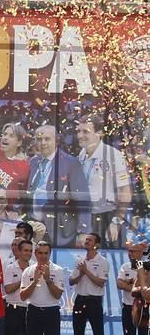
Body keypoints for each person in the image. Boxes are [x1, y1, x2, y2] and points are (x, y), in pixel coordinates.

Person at [27, 124, 90, 247]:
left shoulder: (71, 163)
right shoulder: (34, 162)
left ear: (56, 140)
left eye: (47, 139)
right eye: (39, 139)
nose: (43, 143)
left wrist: (83, 230)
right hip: (35, 228)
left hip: (60, 231)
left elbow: (82, 198)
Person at [76, 114, 132, 245]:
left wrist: (116, 222)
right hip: (88, 216)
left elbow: (125, 192)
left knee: (111, 260)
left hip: (108, 217)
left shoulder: (113, 156)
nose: (80, 135)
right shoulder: (82, 154)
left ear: (99, 133)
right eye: (78, 131)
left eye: (85, 131)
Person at [20, 241, 65, 335]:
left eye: (46, 253)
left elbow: (57, 295)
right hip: (33, 311)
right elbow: (23, 296)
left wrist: (48, 279)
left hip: (52, 311)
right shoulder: (28, 271)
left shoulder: (58, 270)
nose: (43, 256)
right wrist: (35, 281)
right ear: (35, 254)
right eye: (40, 253)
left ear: (50, 253)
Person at [69, 232, 109, 335]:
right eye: (86, 240)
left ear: (97, 245)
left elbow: (101, 283)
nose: (86, 242)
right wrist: (81, 275)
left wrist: (86, 271)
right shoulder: (80, 260)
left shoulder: (103, 261)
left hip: (94, 301)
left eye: (90, 240)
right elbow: (71, 281)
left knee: (98, 331)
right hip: (79, 300)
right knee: (78, 331)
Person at [4, 239, 33, 335]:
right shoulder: (10, 268)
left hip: (31, 310)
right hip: (13, 310)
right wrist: (22, 281)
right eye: (26, 250)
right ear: (19, 251)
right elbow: (8, 289)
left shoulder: (34, 268)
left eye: (30, 251)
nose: (28, 253)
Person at [118, 243, 143, 335]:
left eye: (133, 251)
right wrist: (137, 288)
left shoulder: (147, 268)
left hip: (143, 308)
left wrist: (129, 285)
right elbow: (120, 284)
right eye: (129, 251)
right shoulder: (125, 267)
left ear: (140, 253)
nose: (130, 253)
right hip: (128, 307)